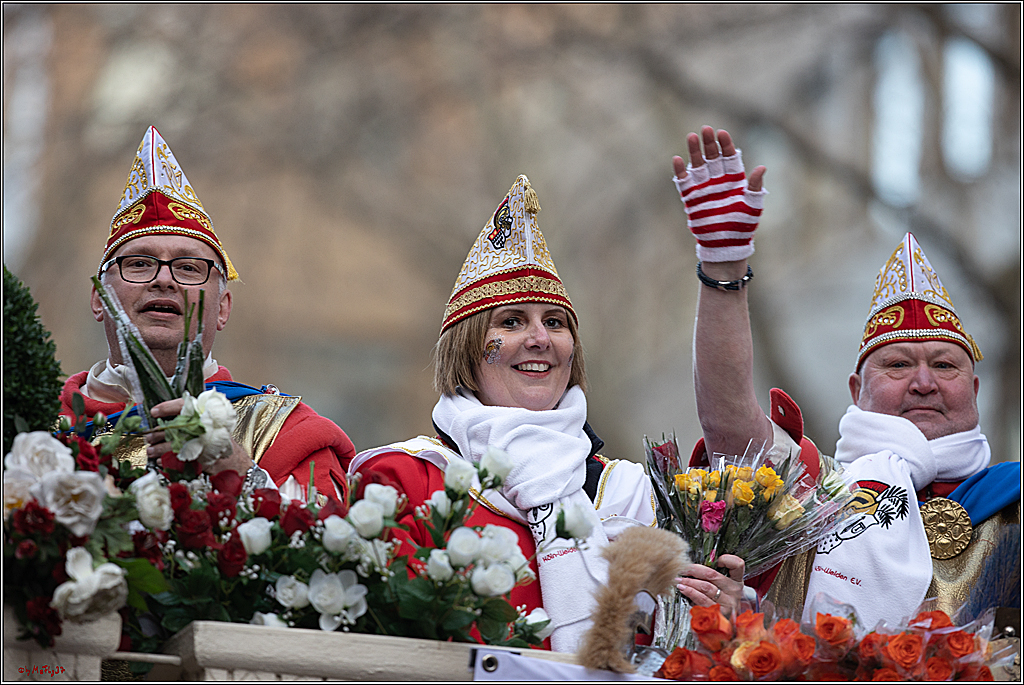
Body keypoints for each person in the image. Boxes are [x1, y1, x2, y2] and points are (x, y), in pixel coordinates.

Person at [676, 126, 1020, 631]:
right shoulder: (813, 488)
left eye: (945, 365)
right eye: (898, 365)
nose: (923, 382)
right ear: (857, 392)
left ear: (973, 389)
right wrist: (723, 270)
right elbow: (728, 420)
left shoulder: (1013, 500)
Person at [350, 175, 669, 653]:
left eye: (555, 323)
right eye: (512, 321)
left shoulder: (630, 492)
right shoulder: (405, 478)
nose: (540, 339)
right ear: (467, 349)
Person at [60, 126, 355, 503]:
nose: (164, 279)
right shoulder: (33, 427)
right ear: (98, 298)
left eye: (188, 268)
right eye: (138, 263)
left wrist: (233, 467)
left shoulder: (286, 433)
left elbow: (330, 556)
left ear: (224, 308)